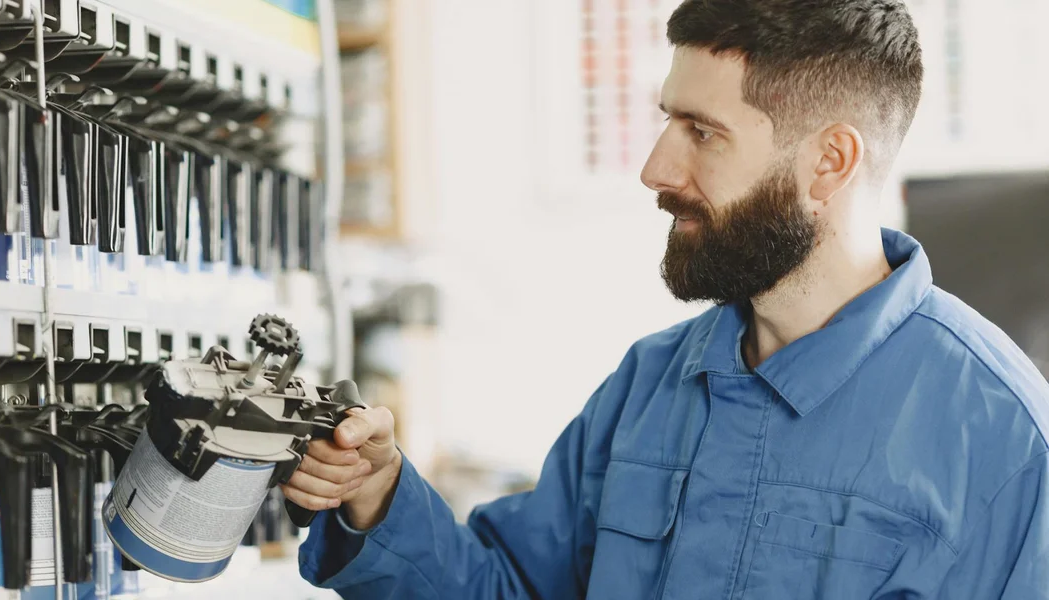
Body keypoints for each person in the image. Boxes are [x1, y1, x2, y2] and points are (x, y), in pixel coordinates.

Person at [283, 0, 1049, 597]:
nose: (654, 168)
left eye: (701, 131)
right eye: (665, 120)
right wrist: (379, 496)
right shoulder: (648, 388)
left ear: (829, 161)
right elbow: (510, 588)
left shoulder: (1004, 441)